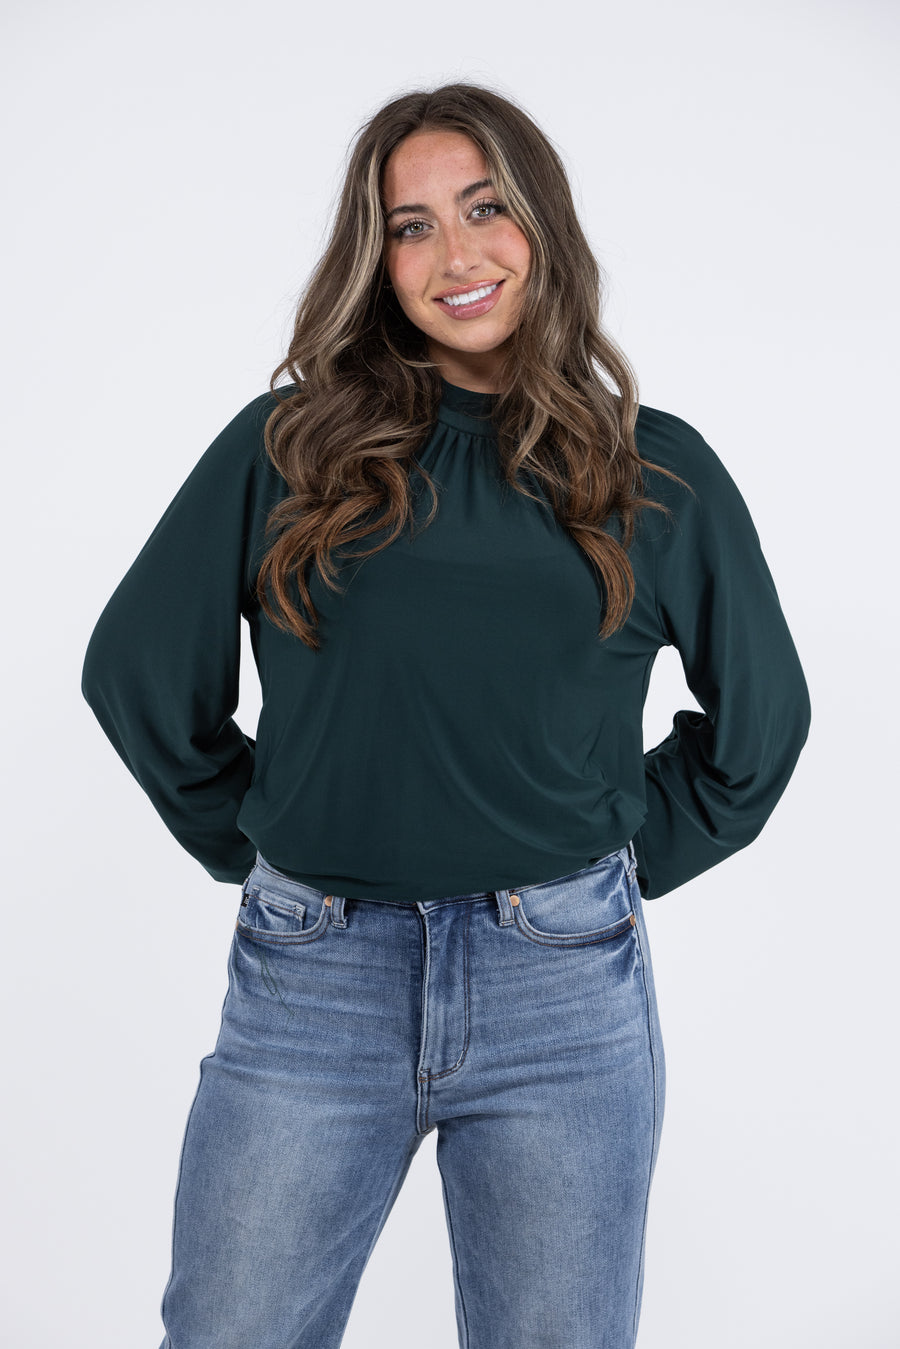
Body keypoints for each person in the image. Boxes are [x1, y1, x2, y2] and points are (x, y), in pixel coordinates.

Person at [81, 81, 811, 1349]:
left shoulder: (655, 472)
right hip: (314, 979)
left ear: (543, 224)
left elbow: (762, 721)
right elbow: (137, 670)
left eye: (485, 209)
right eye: (411, 226)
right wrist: (259, 833)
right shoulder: (289, 449)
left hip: (563, 990)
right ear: (378, 261)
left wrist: (615, 852)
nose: (455, 255)